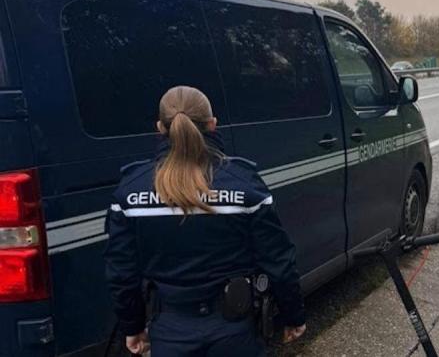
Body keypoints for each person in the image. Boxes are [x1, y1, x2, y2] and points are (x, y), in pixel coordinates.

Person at [104, 86, 306, 356]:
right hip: (234, 331)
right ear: (212, 124)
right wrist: (293, 316)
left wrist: (133, 326)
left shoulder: (129, 193)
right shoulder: (244, 185)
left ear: (160, 128)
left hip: (169, 331)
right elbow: (279, 260)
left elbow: (122, 273)